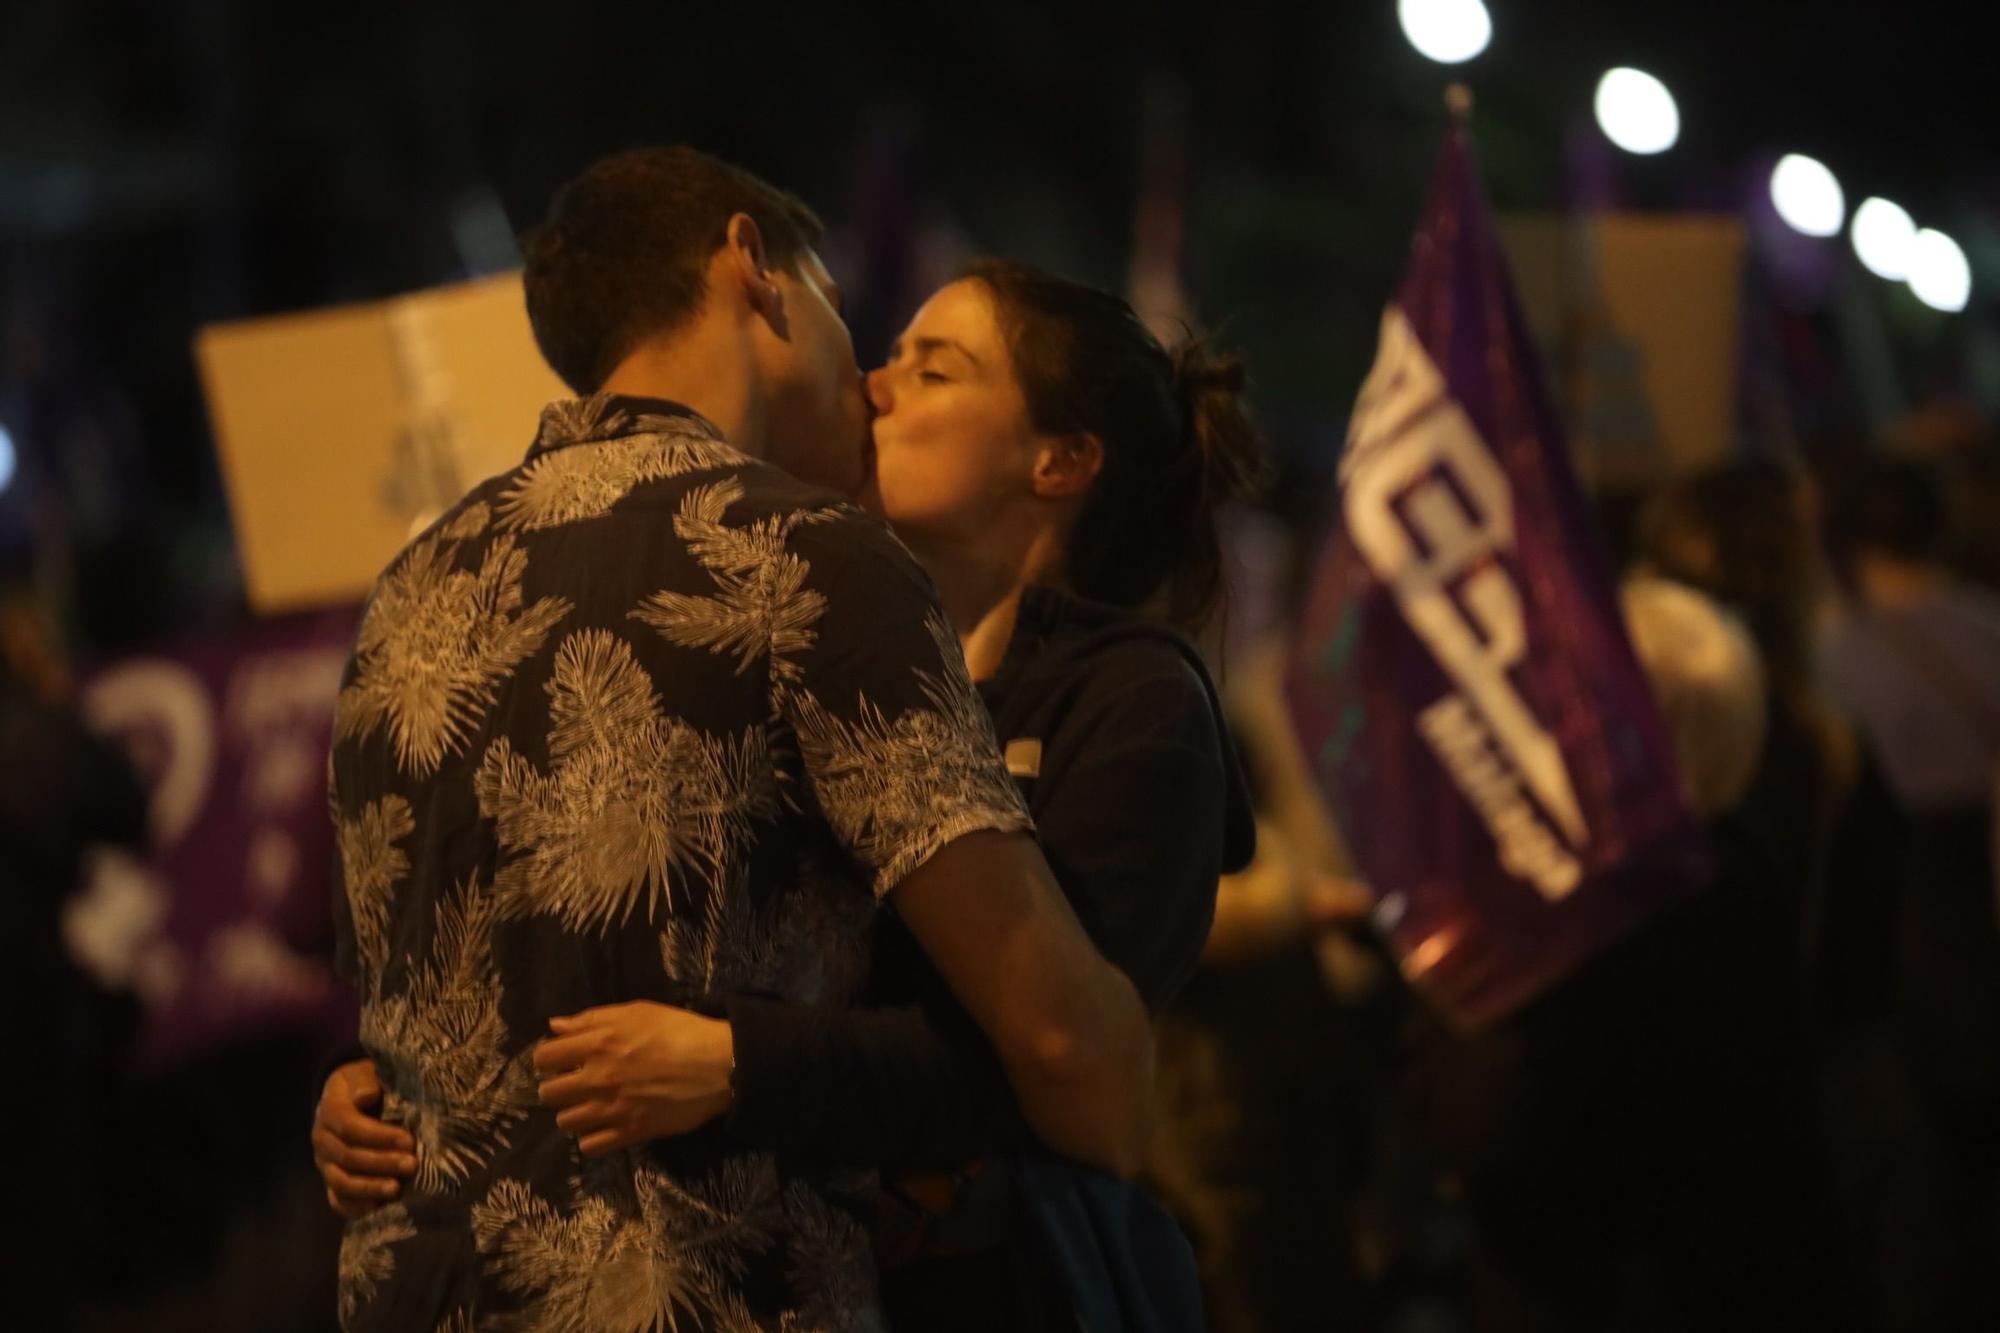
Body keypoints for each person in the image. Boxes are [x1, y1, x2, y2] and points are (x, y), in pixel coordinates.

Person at [320, 258, 1263, 1327]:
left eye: (934, 371)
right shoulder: (826, 640)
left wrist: (742, 1063)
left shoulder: (1137, 706)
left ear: (1058, 460)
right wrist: (395, 1082)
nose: (872, 384)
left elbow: (1068, 1069)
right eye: (889, 355)